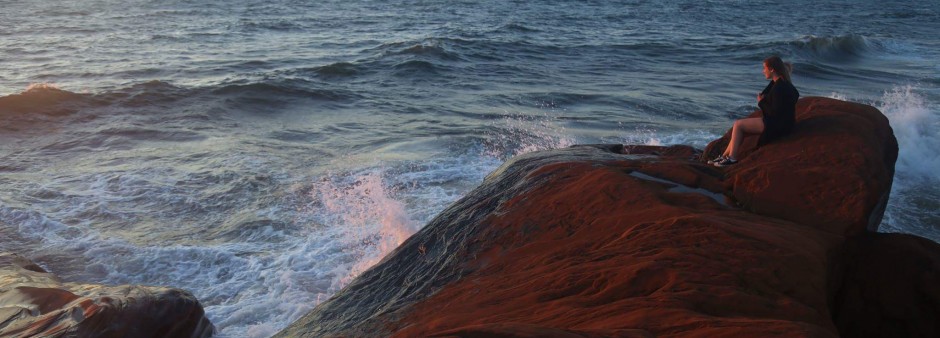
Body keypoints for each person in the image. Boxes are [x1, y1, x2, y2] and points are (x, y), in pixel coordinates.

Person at [709, 56, 800, 167]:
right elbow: (787, 95)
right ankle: (724, 157)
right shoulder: (781, 84)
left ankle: (732, 159)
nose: (763, 71)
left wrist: (761, 102)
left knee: (738, 125)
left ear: (772, 69)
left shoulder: (779, 88)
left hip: (778, 126)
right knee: (740, 129)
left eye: (764, 68)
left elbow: (773, 113)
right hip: (784, 123)